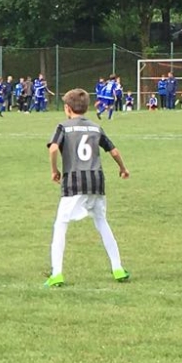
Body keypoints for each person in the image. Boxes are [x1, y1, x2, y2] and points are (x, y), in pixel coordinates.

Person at [45, 88, 130, 287]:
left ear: (67, 108)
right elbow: (114, 151)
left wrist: (54, 170)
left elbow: (53, 148)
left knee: (61, 224)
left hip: (74, 181)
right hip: (96, 180)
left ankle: (57, 273)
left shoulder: (63, 127)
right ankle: (117, 268)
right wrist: (123, 168)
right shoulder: (95, 127)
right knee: (102, 222)